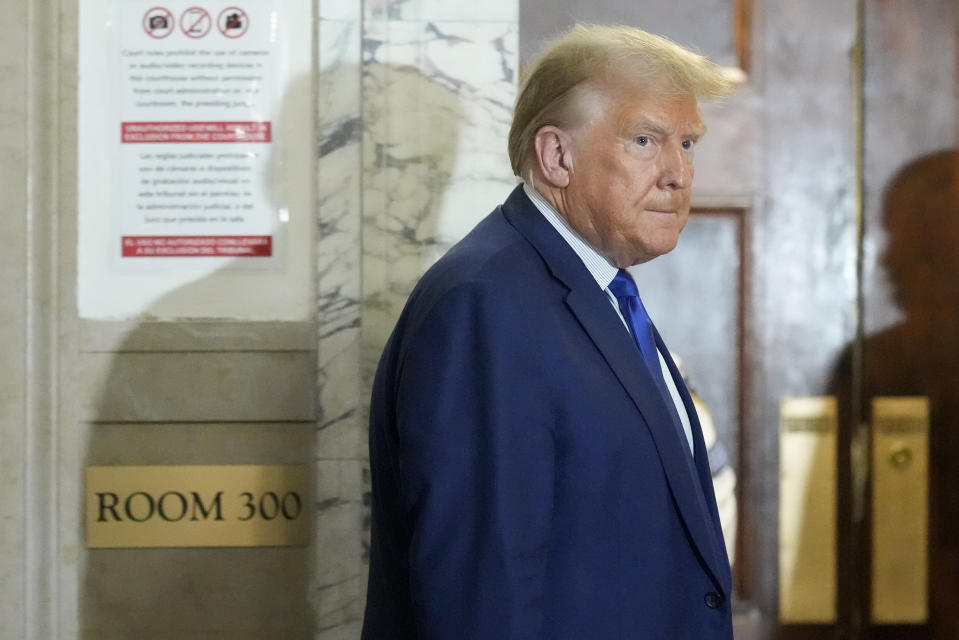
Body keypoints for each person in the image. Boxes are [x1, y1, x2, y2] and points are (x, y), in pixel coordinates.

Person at [363, 24, 739, 639]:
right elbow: (482, 596)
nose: (678, 173)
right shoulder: (485, 306)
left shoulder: (592, 287)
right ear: (557, 156)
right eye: (645, 140)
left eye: (688, 143)